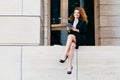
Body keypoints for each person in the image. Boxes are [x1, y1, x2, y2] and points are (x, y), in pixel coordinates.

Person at [59, 7, 88, 74]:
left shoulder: (83, 22)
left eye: (78, 13)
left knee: (70, 36)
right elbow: (71, 33)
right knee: (72, 46)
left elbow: (85, 32)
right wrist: (69, 30)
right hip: (73, 40)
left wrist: (76, 30)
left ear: (80, 14)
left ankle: (65, 54)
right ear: (73, 14)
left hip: (80, 39)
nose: (76, 14)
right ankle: (69, 66)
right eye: (75, 12)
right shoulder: (71, 22)